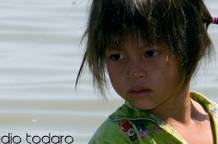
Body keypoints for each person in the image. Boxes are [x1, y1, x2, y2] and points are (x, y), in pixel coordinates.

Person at [75, 0, 218, 143]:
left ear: (196, 46)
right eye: (116, 56)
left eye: (150, 53)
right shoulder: (114, 139)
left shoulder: (214, 118)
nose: (134, 72)